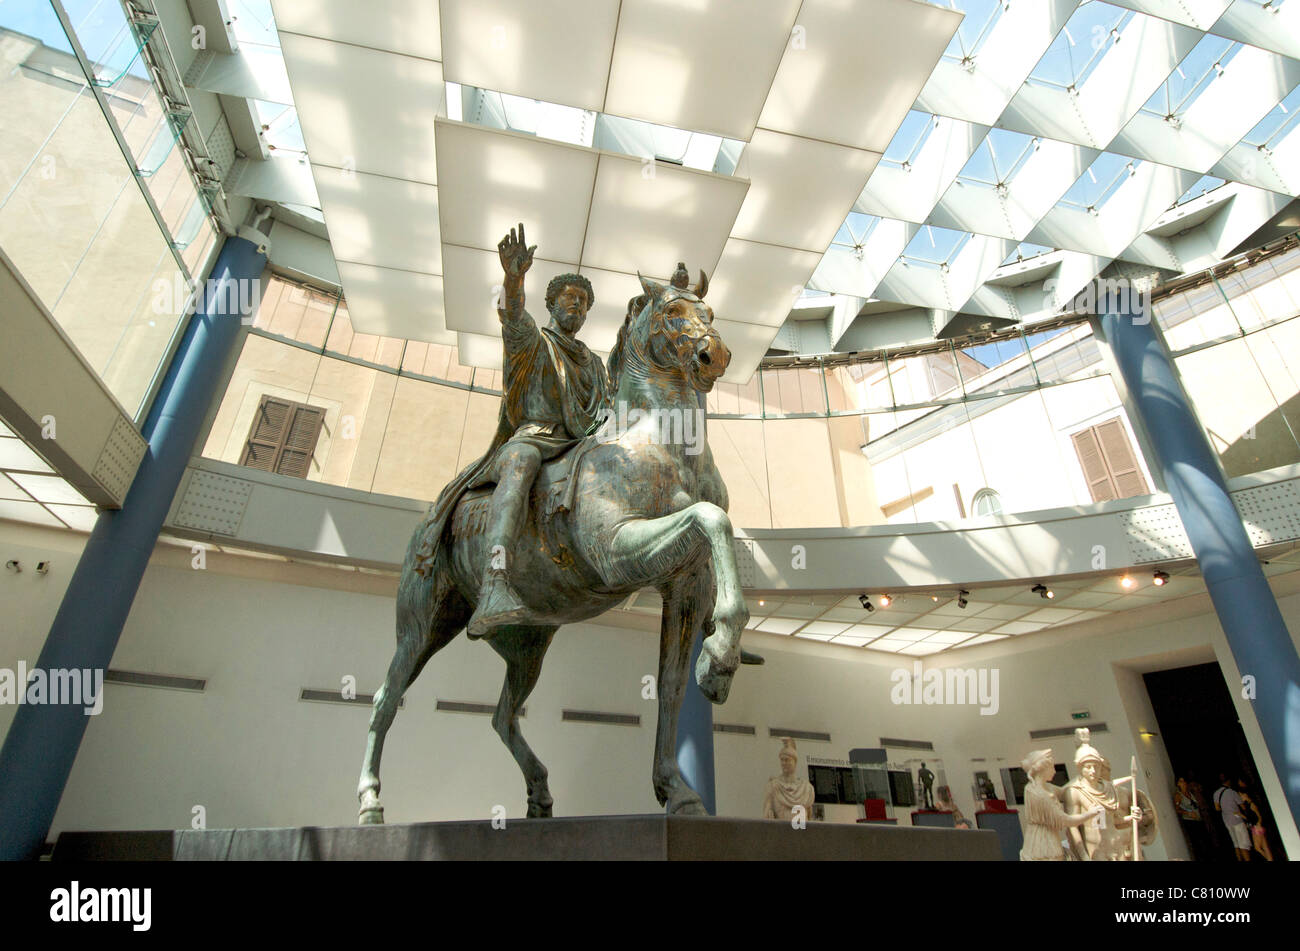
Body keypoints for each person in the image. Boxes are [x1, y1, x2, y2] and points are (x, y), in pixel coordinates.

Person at [411, 223, 611, 637]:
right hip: (533, 437)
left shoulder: (594, 364)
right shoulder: (533, 341)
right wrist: (514, 276)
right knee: (521, 460)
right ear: (552, 304)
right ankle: (495, 580)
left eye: (584, 302)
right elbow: (512, 312)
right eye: (569, 299)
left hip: (579, 445)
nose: (577, 306)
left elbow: (605, 413)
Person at [1020, 749, 1103, 860]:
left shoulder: (1044, 787)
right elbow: (1066, 820)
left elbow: (1065, 791)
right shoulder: (1038, 794)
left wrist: (1081, 779)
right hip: (1043, 845)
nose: (1054, 771)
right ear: (1043, 769)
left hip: (1048, 841)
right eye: (1052, 768)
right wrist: (1090, 814)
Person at [762, 738, 815, 821]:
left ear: (795, 762)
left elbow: (810, 818)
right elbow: (766, 817)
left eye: (787, 760)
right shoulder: (773, 786)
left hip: (801, 831)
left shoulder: (806, 788)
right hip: (781, 832)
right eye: (782, 760)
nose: (783, 763)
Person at [1213, 774, 1251, 862]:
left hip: (1227, 821)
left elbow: (1217, 808)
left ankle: (1239, 859)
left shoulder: (1216, 793)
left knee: (1236, 844)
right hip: (1237, 820)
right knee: (1243, 845)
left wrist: (1226, 809)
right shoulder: (1232, 792)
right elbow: (1243, 806)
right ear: (1228, 781)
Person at [1174, 777, 1210, 860]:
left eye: (1184, 781)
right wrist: (1188, 813)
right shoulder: (1178, 795)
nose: (1184, 783)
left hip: (1198, 819)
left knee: (1205, 839)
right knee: (1197, 842)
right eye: (1181, 781)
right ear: (1178, 784)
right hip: (1190, 821)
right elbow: (1177, 808)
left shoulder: (1190, 793)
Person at [1236, 780, 1272, 862]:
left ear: (1245, 795)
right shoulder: (1249, 805)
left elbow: (1259, 815)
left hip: (1256, 827)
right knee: (1264, 847)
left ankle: (1268, 859)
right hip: (1256, 827)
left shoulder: (1252, 804)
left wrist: (1259, 823)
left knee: (1258, 848)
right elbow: (1251, 817)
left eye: (1240, 795)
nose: (1240, 797)